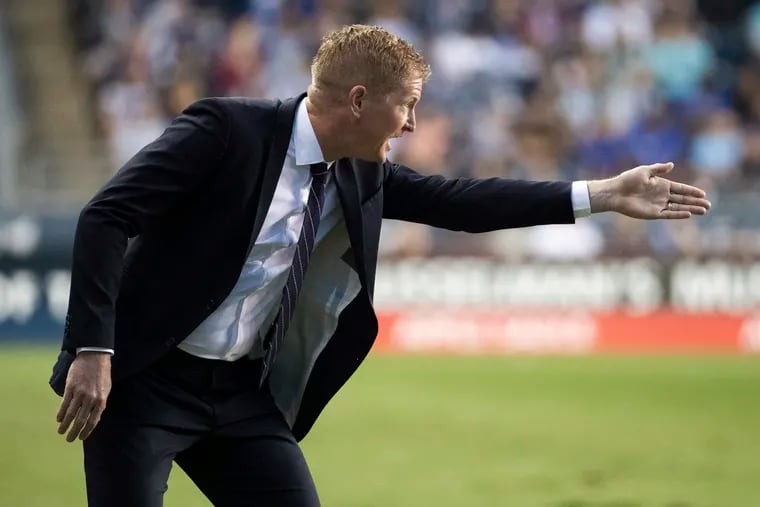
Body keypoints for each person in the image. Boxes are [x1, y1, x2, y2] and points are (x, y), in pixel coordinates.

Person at [50, 24, 711, 507]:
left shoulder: (362, 173)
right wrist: (93, 347)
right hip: (140, 382)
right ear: (360, 100)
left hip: (239, 396)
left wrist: (601, 196)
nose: (415, 125)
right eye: (407, 105)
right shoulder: (227, 131)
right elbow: (107, 216)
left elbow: (463, 203)